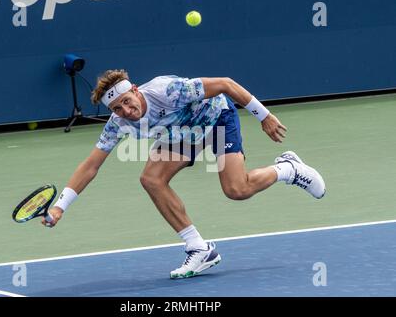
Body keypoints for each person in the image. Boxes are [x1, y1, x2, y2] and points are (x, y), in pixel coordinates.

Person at [42, 70, 326, 279]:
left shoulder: (170, 91)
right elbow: (91, 166)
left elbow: (226, 84)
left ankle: (287, 169)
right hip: (182, 134)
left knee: (236, 190)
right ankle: (199, 249)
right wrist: (59, 207)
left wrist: (264, 116)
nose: (127, 110)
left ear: (137, 90)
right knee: (151, 179)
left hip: (215, 118)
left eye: (128, 101)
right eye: (118, 108)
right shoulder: (118, 124)